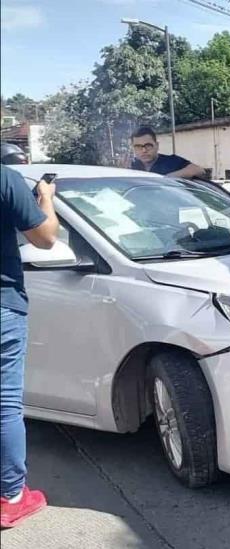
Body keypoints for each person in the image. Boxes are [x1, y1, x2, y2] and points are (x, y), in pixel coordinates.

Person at [0, 165, 58, 528]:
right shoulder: (4, 178)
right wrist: (47, 201)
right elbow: (46, 238)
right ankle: (11, 497)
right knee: (4, 403)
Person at [130, 126, 205, 178]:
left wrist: (168, 177)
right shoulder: (132, 166)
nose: (144, 150)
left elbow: (199, 171)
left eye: (148, 145)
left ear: (157, 145)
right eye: (138, 146)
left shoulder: (171, 162)